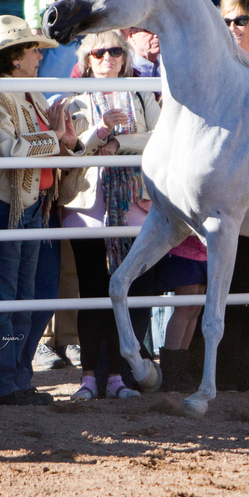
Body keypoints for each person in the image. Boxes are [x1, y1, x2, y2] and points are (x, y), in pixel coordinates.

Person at [0, 16, 80, 405]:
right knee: (6, 296)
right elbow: (10, 149)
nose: (39, 55)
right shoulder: (1, 93)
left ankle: (15, 378)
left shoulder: (25, 92)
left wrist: (57, 139)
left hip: (29, 202)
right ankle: (2, 382)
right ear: (16, 56)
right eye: (33, 49)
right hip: (11, 203)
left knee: (21, 295)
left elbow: (26, 144)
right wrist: (55, 139)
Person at [60, 31, 163, 400]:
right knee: (92, 292)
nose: (107, 57)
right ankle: (89, 377)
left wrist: (120, 143)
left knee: (129, 292)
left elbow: (161, 135)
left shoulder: (141, 92)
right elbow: (71, 148)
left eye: (115, 50)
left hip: (135, 206)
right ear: (88, 58)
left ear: (125, 56)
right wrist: (100, 133)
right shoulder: (75, 98)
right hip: (88, 208)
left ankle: (120, 378)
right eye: (99, 51)